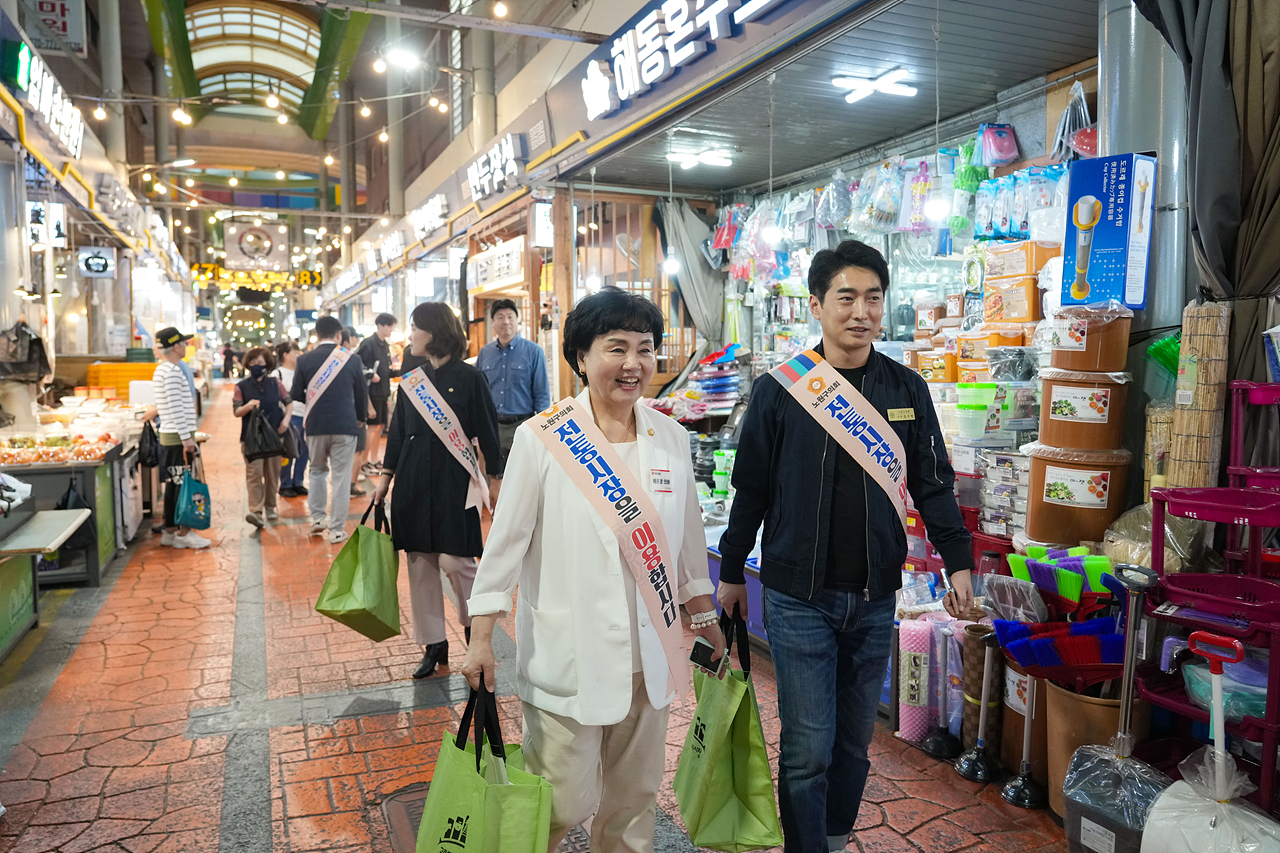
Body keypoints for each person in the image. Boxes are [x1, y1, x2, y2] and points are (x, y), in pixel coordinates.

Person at [717, 240, 975, 853]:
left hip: (875, 596)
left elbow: (933, 484)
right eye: (846, 298)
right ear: (816, 305)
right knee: (808, 748)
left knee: (855, 743)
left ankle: (832, 839)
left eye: (872, 298)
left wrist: (960, 562)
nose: (860, 311)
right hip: (796, 596)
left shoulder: (908, 388)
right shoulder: (782, 391)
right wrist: (730, 570)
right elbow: (749, 489)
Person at [463, 286, 724, 853]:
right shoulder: (543, 439)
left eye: (645, 348)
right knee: (560, 803)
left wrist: (706, 623)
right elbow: (503, 546)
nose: (633, 364)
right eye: (616, 348)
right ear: (581, 357)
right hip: (570, 653)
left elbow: (686, 548)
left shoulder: (671, 438)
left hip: (650, 655)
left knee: (634, 802)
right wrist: (480, 637)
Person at [370, 303, 502, 679]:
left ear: (434, 332)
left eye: (414, 328)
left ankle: (473, 629)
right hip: (412, 480)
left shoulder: (471, 378)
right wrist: (384, 479)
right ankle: (434, 645)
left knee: (457, 560)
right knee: (420, 563)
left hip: (454, 480)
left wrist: (496, 481)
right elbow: (397, 432)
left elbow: (489, 434)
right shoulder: (411, 378)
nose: (409, 335)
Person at [290, 316, 368, 544]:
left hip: (316, 425)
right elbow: (362, 393)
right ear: (338, 335)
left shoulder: (304, 360)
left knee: (316, 471)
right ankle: (336, 529)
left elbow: (296, 394)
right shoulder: (352, 359)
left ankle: (317, 519)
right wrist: (361, 418)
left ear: (316, 333)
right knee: (341, 478)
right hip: (345, 425)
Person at [153, 327, 210, 550]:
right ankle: (183, 533)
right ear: (176, 346)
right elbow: (177, 409)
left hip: (171, 436)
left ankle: (169, 531)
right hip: (178, 438)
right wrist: (187, 439)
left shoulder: (162, 370)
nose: (186, 346)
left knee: (174, 485)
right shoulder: (173, 372)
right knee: (183, 485)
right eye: (184, 343)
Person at [475, 298, 550, 463]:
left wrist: (544, 428)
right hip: (492, 426)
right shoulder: (484, 353)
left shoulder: (533, 351)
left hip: (522, 425)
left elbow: (542, 393)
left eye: (510, 316)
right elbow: (477, 392)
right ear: (493, 322)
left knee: (521, 479)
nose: (506, 321)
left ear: (518, 321)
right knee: (493, 479)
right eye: (500, 317)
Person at [233, 347, 292, 527]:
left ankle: (271, 507)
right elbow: (236, 412)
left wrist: (286, 420)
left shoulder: (276, 383)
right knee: (254, 474)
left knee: (273, 474)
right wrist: (248, 406)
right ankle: (256, 511)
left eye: (259, 363)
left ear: (267, 363)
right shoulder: (241, 386)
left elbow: (288, 403)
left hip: (275, 435)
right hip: (252, 439)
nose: (256, 366)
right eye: (252, 363)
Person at [357, 313, 395, 480]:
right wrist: (371, 374)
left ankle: (373, 460)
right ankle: (363, 463)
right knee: (372, 427)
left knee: (379, 426)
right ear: (381, 325)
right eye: (390, 326)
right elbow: (359, 365)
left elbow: (387, 368)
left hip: (383, 390)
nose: (392, 329)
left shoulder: (384, 345)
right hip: (372, 392)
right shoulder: (368, 344)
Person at [274, 342, 308, 498]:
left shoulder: (302, 371)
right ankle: (285, 483)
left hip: (305, 416)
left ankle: (298, 481)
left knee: (304, 452)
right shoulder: (277, 374)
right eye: (295, 352)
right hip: (288, 417)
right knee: (288, 451)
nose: (298, 355)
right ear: (285, 355)